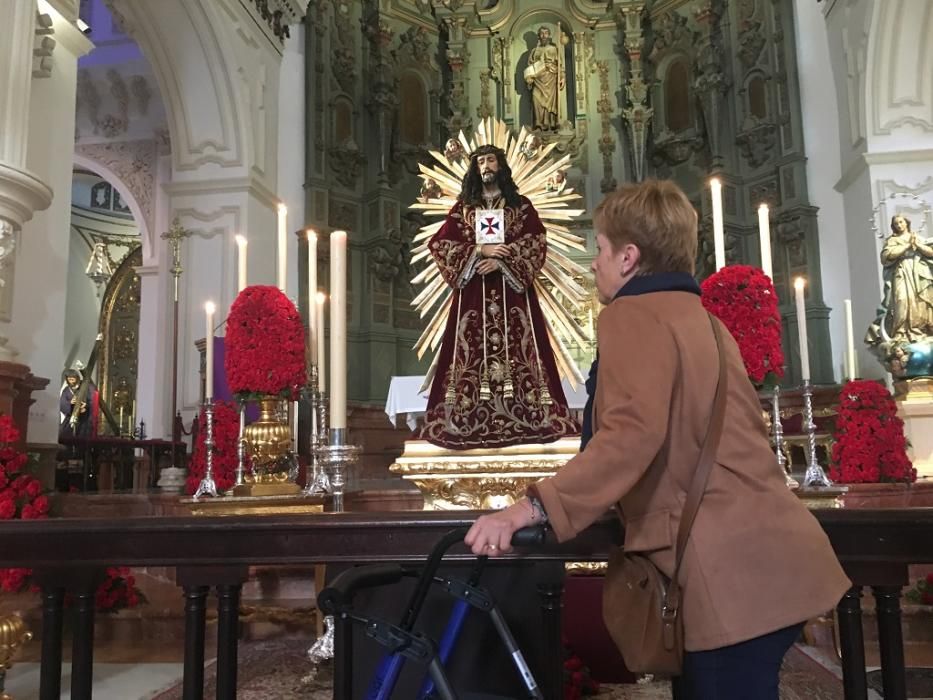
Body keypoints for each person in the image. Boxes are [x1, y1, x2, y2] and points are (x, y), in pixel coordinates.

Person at [466, 179, 850, 698]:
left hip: (726, 577)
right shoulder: (707, 322)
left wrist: (527, 509)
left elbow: (630, 435)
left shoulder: (632, 316)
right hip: (771, 560)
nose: (593, 263)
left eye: (599, 249)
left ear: (628, 257)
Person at [417, 144, 578, 449]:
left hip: (513, 295)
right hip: (474, 294)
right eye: (480, 161)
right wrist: (479, 251)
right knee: (469, 348)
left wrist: (503, 259)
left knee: (521, 348)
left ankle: (530, 414)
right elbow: (440, 245)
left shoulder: (521, 206)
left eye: (491, 160)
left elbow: (536, 242)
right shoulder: (464, 208)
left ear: (501, 165)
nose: (486, 165)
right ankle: (466, 418)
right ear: (474, 168)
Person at [879, 214, 933, 342]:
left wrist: (918, 245)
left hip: (919, 272)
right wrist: (907, 246)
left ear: (906, 223)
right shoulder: (891, 240)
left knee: (920, 302)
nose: (899, 225)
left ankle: (919, 329)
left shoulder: (917, 238)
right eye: (896, 223)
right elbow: (886, 256)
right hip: (901, 272)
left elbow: (930, 252)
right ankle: (900, 331)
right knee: (901, 300)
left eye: (901, 222)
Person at [524, 26, 561, 131]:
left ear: (549, 35)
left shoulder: (554, 49)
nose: (544, 35)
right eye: (541, 33)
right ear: (538, 36)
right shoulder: (534, 51)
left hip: (551, 79)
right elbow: (529, 66)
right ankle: (538, 124)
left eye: (546, 33)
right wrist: (529, 77)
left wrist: (562, 77)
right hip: (538, 80)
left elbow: (560, 65)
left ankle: (551, 123)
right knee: (536, 99)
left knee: (550, 103)